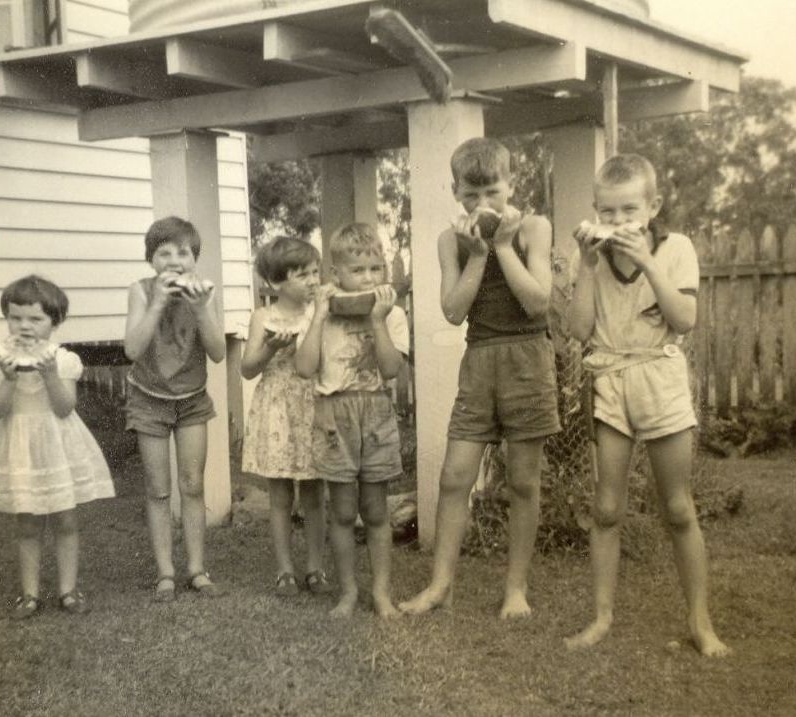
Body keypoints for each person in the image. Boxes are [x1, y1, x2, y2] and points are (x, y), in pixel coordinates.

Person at [564, 153, 729, 657]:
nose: (617, 223)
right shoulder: (589, 256)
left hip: (659, 378)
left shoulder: (676, 248)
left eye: (629, 212)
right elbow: (577, 330)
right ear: (595, 211)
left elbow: (683, 320)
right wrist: (589, 267)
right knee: (607, 507)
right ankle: (601, 617)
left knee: (677, 507)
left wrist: (649, 262)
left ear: (653, 207)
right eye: (607, 213)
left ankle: (700, 621)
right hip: (611, 376)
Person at [400, 137, 559, 619]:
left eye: (492, 191)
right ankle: (441, 586)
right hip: (480, 361)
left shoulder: (533, 227)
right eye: (471, 195)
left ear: (511, 185)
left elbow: (537, 302)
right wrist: (476, 254)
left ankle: (516, 590)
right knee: (454, 477)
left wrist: (502, 246)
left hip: (528, 360)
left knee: (523, 482)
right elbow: (452, 311)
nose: (483, 204)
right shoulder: (451, 240)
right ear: (455, 192)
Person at [0, 275, 114, 619]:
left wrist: (51, 375)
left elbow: (64, 406)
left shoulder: (63, 360)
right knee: (27, 523)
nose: (24, 326)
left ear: (54, 323)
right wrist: (9, 379)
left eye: (35, 319)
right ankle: (29, 594)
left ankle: (68, 591)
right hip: (21, 452)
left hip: (58, 449)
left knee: (66, 520)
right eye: (16, 318)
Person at [295, 223, 408, 618]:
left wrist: (378, 320)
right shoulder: (319, 314)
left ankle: (380, 593)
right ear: (335, 275)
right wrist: (319, 316)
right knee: (342, 512)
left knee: (376, 511)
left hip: (374, 410)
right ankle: (347, 592)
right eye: (359, 271)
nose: (369, 278)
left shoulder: (391, 314)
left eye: (376, 269)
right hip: (334, 414)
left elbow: (392, 370)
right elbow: (305, 368)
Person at [124, 216, 227, 602]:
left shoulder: (205, 293)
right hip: (149, 398)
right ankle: (165, 572)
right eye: (163, 252)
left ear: (194, 258)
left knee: (193, 484)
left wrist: (201, 310)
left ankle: (197, 569)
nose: (173, 259)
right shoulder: (140, 290)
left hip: (191, 399)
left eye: (182, 252)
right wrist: (158, 303)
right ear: (151, 261)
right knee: (157, 488)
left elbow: (217, 353)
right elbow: (132, 349)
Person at [241, 236, 333, 597]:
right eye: (302, 275)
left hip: (311, 404)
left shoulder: (319, 314)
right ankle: (284, 571)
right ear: (277, 282)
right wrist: (269, 348)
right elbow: (248, 369)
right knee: (280, 494)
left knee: (314, 491)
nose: (313, 280)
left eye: (315, 272)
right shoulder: (263, 316)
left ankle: (315, 568)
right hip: (277, 408)